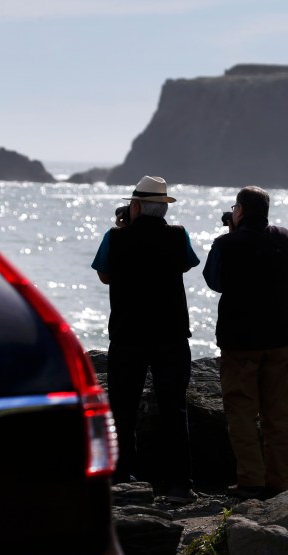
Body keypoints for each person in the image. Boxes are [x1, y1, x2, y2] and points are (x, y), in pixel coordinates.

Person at [91, 175, 200, 504]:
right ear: (163, 208)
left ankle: (124, 478)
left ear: (135, 206)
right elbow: (187, 265)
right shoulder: (178, 236)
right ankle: (179, 484)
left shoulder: (116, 237)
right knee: (174, 409)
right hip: (171, 335)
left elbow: (105, 275)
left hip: (128, 335)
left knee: (123, 410)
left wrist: (123, 229)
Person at [203, 185, 288, 501]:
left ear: (240, 211)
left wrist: (231, 234)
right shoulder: (285, 238)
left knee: (242, 410)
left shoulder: (225, 244)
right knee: (278, 411)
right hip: (282, 335)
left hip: (241, 338)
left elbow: (214, 281)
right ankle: (280, 482)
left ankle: (251, 481)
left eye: (235, 208)